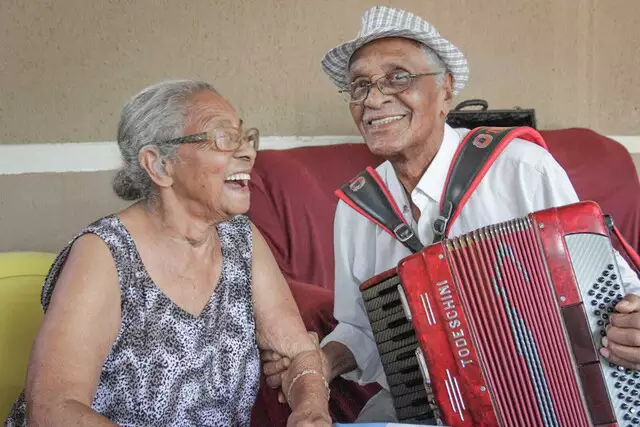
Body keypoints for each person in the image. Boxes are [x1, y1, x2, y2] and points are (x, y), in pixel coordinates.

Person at [262, 5, 640, 423]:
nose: (373, 98)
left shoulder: (520, 168)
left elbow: (613, 285)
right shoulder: (357, 209)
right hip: (422, 409)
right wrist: (320, 362)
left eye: (398, 77)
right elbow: (363, 330)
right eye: (359, 85)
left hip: (552, 399)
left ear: (446, 89)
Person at [5, 80, 331, 427]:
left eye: (245, 137)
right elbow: (54, 409)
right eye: (224, 138)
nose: (248, 153)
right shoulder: (105, 253)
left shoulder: (242, 239)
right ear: (159, 165)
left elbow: (297, 352)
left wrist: (310, 409)